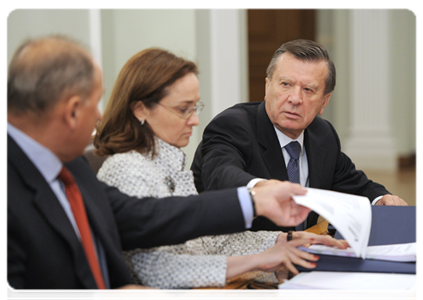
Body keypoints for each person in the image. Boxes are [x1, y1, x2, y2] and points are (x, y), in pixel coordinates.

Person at [5, 36, 312, 300]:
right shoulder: (13, 188)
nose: (99, 116)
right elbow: (150, 264)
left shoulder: (71, 167)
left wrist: (272, 232)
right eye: (94, 104)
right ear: (71, 111)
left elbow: (146, 217)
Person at [93, 48, 348, 292]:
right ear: (140, 110)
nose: (194, 120)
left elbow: (209, 242)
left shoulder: (168, 164)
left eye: (195, 108)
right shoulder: (126, 169)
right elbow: (153, 271)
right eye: (184, 109)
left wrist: (282, 241)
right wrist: (258, 260)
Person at [191, 39, 407, 232]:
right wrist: (263, 189)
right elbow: (220, 175)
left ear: (324, 101)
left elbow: (355, 184)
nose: (295, 98)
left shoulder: (322, 134)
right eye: (286, 84)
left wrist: (381, 199)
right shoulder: (233, 125)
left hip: (302, 259)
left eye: (308, 90)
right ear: (267, 87)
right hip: (237, 262)